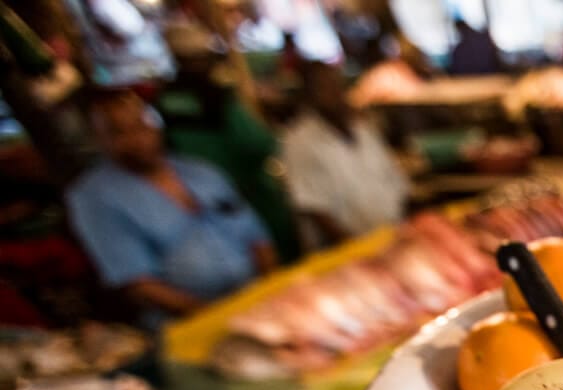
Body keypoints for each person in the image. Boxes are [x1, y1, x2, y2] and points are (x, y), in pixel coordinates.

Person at [66, 88, 275, 327]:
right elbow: (140, 286)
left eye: (141, 125)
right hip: (189, 323)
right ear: (98, 139)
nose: (138, 139)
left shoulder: (200, 171)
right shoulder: (95, 198)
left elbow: (258, 238)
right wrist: (218, 318)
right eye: (119, 132)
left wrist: (268, 292)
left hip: (256, 303)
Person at [156, 22, 299, 261]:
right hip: (248, 196)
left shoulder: (163, 102)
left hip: (198, 206)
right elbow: (258, 143)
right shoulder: (217, 97)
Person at [281, 61, 409, 247]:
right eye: (323, 87)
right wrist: (354, 246)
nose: (332, 93)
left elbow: (394, 180)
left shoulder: (363, 129)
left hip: (391, 237)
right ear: (308, 95)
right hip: (346, 250)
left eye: (335, 84)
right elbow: (312, 206)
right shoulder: (299, 141)